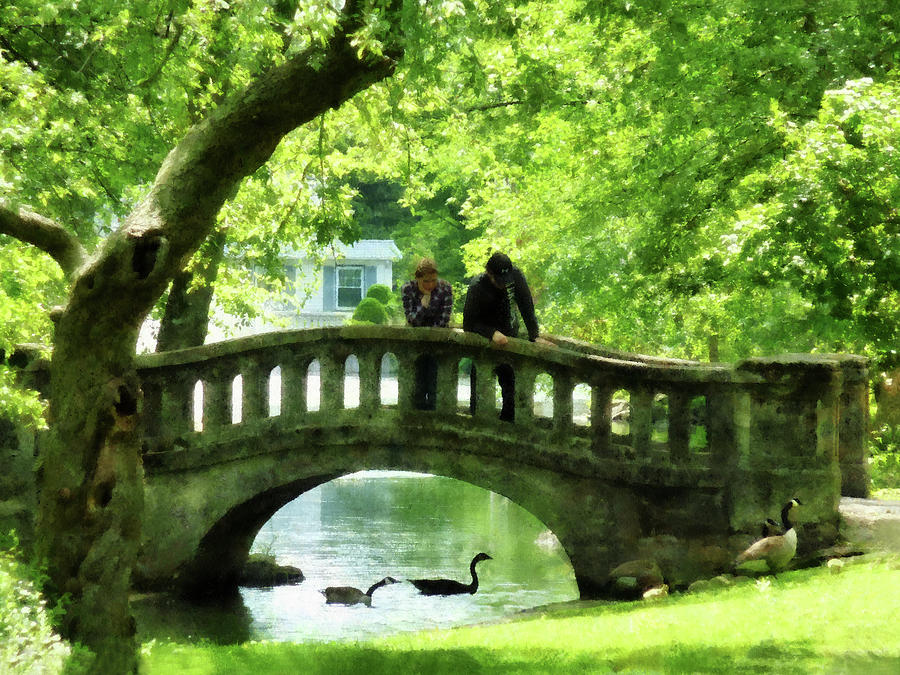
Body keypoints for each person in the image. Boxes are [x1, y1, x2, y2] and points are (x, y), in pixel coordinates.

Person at [462, 251, 541, 422]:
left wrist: (535, 335)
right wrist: (491, 333)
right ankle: (478, 425)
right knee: (480, 391)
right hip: (484, 343)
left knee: (510, 390)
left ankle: (509, 425)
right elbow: (468, 323)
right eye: (499, 281)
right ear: (488, 272)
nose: (503, 285)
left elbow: (527, 307)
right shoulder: (477, 286)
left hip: (510, 338)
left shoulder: (516, 277)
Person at [401, 257, 453, 410]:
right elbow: (412, 320)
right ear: (417, 278)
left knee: (434, 383)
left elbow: (444, 319)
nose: (430, 285)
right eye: (426, 281)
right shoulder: (408, 289)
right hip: (415, 342)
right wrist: (424, 303)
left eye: (433, 280)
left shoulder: (445, 288)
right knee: (417, 383)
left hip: (438, 342)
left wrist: (431, 333)